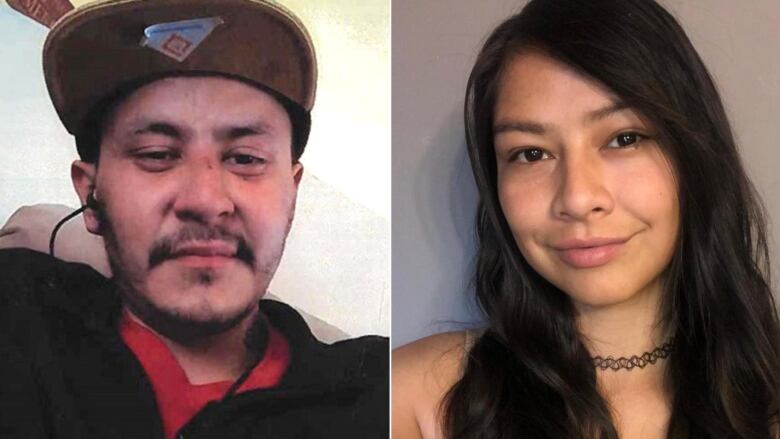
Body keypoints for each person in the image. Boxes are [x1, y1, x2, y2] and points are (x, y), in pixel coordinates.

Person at [0, 1, 388, 438]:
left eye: (245, 159)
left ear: (291, 194)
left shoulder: (380, 393)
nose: (206, 200)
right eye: (157, 155)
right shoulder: (18, 310)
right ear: (91, 196)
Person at [393, 0, 779, 438]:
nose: (577, 198)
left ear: (695, 156)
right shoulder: (412, 400)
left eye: (623, 139)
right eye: (531, 153)